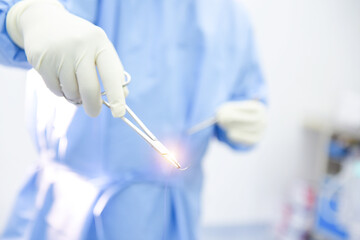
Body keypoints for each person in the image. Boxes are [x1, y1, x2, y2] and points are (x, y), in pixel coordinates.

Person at [0, 0, 267, 239]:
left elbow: (249, 94)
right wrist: (22, 16)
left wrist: (247, 119)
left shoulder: (229, 15)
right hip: (66, 215)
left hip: (170, 221)